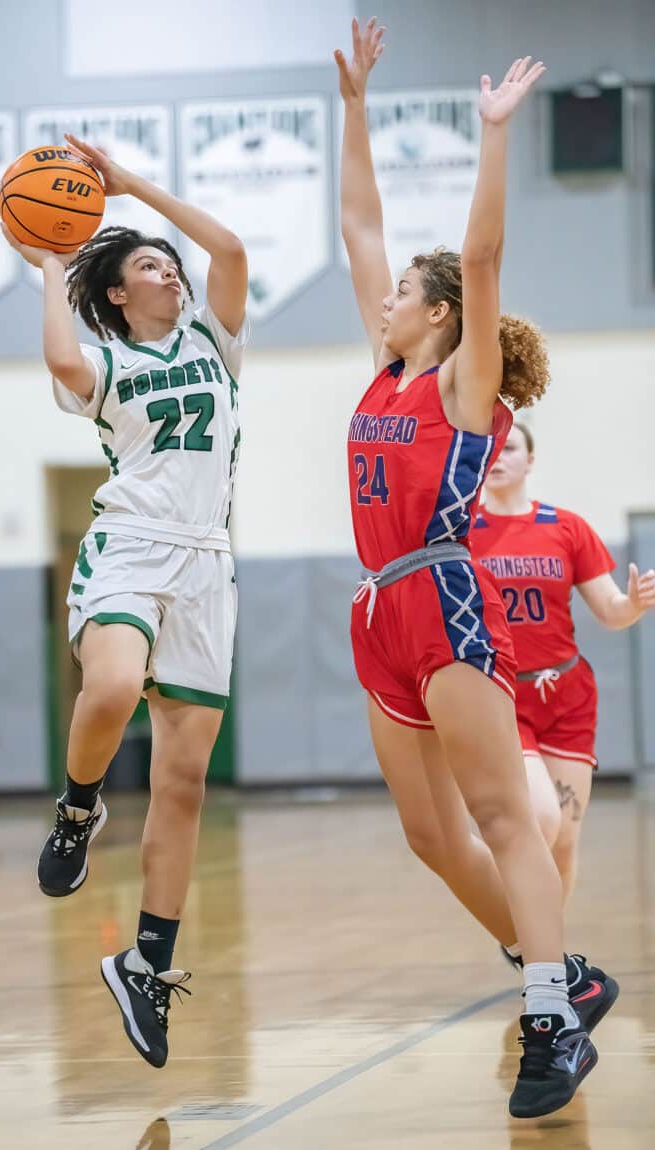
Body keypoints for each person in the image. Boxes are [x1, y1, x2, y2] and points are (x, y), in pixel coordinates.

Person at [336, 17, 615, 1118]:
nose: (391, 291)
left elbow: (484, 255)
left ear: (441, 313)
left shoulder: (463, 385)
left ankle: (552, 1017)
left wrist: (491, 134)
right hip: (377, 612)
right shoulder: (384, 368)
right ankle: (567, 972)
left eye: (408, 286)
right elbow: (360, 224)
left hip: (445, 594)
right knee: (427, 835)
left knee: (504, 818)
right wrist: (355, 107)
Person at [1, 131, 248, 1069]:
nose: (172, 273)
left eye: (168, 264)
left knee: (182, 782)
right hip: (132, 546)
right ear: (117, 291)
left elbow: (228, 251)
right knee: (110, 691)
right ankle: (76, 810)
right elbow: (64, 367)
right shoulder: (107, 363)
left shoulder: (217, 341)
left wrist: (134, 186)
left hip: (207, 565)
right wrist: (57, 257)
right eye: (150, 265)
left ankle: (147, 966)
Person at [471, 421, 655, 909]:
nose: (499, 456)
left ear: (530, 460)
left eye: (509, 447)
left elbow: (611, 610)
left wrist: (633, 605)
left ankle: (552, 957)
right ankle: (525, 941)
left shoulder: (566, 527)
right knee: (543, 821)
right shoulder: (463, 534)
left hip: (568, 696)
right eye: (491, 449)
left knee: (566, 842)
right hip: (505, 698)